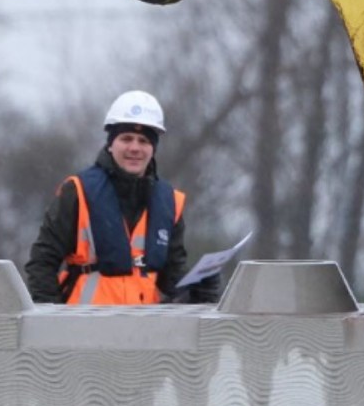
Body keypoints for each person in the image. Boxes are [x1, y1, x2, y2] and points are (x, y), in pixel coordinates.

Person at [25, 90, 220, 305]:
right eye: (126, 138)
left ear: (153, 148)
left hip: (146, 330)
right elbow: (41, 263)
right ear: (111, 143)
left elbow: (171, 276)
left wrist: (199, 287)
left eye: (144, 140)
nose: (134, 148)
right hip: (83, 328)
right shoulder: (77, 191)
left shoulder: (170, 201)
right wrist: (50, 319)